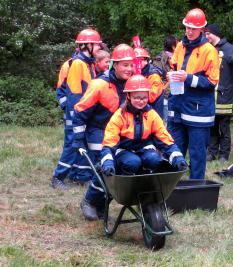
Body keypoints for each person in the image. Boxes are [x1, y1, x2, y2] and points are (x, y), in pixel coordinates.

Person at [72, 44, 135, 220]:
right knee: (105, 167)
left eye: (131, 65)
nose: (129, 69)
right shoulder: (99, 85)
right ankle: (90, 201)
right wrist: (78, 139)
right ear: (114, 64)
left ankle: (101, 204)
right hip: (98, 131)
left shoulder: (132, 84)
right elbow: (80, 111)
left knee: (123, 167)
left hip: (119, 134)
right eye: (124, 65)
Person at [100, 74, 187, 178]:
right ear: (128, 96)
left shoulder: (152, 115)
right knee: (132, 162)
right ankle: (127, 181)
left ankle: (148, 180)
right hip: (124, 151)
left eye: (144, 98)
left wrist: (179, 159)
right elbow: (109, 143)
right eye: (137, 97)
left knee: (155, 159)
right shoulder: (119, 116)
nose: (141, 101)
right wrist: (108, 164)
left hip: (146, 149)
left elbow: (165, 140)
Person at [167, 8, 220, 180]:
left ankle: (196, 186)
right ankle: (170, 185)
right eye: (187, 27)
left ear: (202, 30)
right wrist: (171, 75)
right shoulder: (180, 46)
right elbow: (174, 67)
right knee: (174, 148)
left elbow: (212, 82)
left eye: (193, 28)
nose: (189, 31)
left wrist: (188, 78)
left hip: (199, 110)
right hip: (178, 105)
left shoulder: (209, 50)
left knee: (197, 153)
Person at [51, 29, 102, 189]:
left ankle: (79, 176)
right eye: (97, 45)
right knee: (73, 145)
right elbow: (74, 93)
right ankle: (58, 177)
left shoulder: (89, 64)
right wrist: (77, 116)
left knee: (82, 146)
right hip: (77, 114)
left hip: (85, 114)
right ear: (87, 45)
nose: (99, 47)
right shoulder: (77, 64)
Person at [204, 23, 233, 163]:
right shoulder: (207, 49)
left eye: (207, 34)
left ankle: (224, 155)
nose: (205, 37)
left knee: (223, 128)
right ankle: (211, 153)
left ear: (215, 33)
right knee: (211, 127)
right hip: (209, 96)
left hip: (224, 96)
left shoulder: (228, 49)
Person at [153, 35, 179, 123]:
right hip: (165, 93)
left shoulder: (180, 57)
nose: (180, 44)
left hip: (177, 93)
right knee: (165, 121)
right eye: (177, 42)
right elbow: (156, 74)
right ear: (173, 45)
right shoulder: (160, 59)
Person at [133, 47, 165, 117]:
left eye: (138, 60)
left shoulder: (153, 76)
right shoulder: (137, 74)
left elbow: (151, 97)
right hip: (141, 113)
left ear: (145, 61)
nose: (135, 63)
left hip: (153, 115)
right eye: (134, 61)